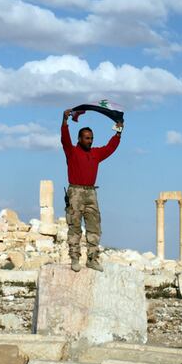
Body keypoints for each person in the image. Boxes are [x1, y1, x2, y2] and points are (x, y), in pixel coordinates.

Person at [61, 108, 123, 272]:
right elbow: (64, 140)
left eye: (92, 138)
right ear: (79, 139)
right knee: (74, 226)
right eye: (87, 138)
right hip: (75, 192)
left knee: (94, 227)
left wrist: (118, 131)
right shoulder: (72, 152)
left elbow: (110, 147)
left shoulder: (96, 153)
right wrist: (65, 121)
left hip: (91, 192)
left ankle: (92, 259)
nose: (90, 141)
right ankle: (75, 258)